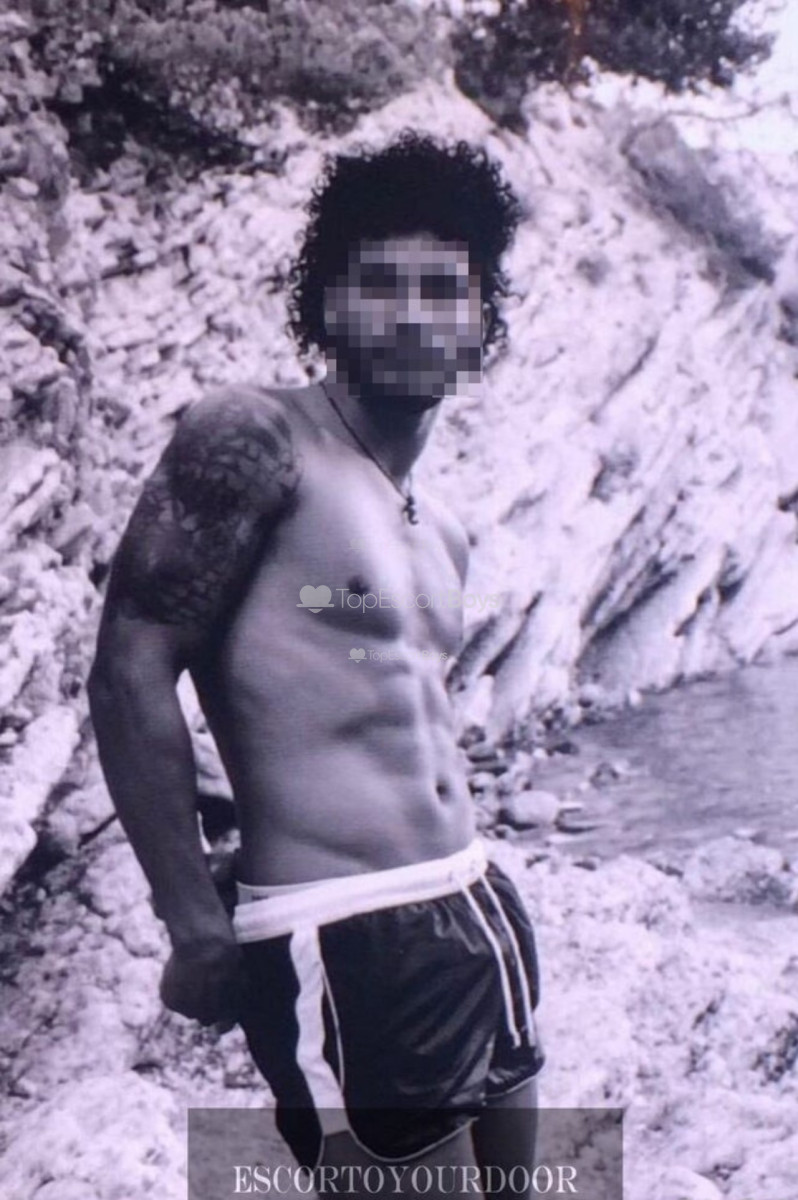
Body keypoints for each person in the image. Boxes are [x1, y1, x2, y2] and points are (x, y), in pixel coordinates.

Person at [88, 132, 545, 1198]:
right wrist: (191, 920)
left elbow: (364, 694)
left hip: (476, 901)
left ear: (483, 320)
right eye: (378, 285)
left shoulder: (444, 526)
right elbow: (130, 666)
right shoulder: (254, 439)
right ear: (325, 308)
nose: (413, 316)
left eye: (445, 289)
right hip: (345, 934)